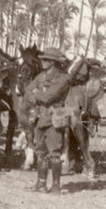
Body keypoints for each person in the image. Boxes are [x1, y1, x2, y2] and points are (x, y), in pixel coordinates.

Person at [23, 47, 80, 193]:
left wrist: (37, 93)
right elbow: (27, 91)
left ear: (53, 62)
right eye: (43, 59)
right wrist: (37, 94)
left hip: (54, 120)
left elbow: (48, 97)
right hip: (39, 118)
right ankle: (41, 184)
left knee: (54, 153)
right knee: (40, 152)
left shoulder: (63, 79)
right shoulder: (41, 76)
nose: (42, 62)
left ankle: (55, 186)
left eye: (46, 60)